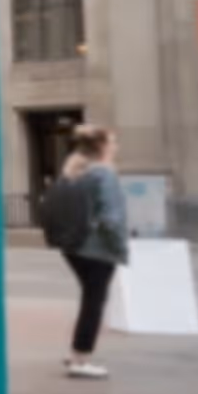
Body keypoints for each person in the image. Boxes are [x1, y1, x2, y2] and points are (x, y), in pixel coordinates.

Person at [55, 124, 129, 380]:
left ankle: (76, 351)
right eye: (113, 141)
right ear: (102, 146)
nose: (116, 146)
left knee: (90, 300)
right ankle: (80, 358)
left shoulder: (75, 171)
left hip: (73, 246)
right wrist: (120, 248)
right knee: (94, 303)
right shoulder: (104, 174)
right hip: (97, 248)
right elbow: (111, 219)